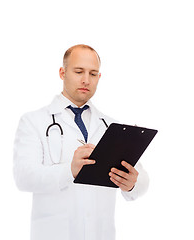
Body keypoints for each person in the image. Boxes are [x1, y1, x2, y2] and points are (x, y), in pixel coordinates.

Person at [12, 44, 150, 240]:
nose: (86, 80)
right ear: (62, 72)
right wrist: (70, 170)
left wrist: (132, 183)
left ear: (99, 78)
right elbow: (23, 177)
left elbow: (142, 179)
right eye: (79, 71)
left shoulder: (110, 126)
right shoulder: (34, 121)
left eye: (93, 74)